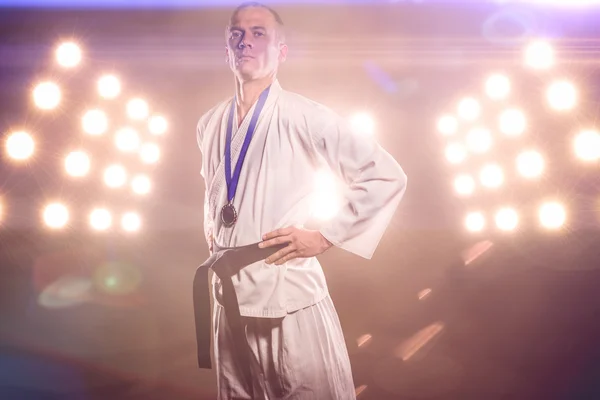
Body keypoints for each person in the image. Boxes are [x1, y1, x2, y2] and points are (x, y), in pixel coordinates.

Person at [195, 2, 408, 399]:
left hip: (288, 296)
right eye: (237, 34)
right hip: (228, 301)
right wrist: (214, 232)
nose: (246, 42)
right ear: (226, 48)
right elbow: (218, 193)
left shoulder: (305, 116)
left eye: (259, 33)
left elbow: (385, 174)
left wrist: (326, 236)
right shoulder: (209, 124)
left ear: (282, 50)